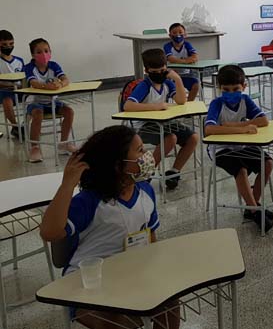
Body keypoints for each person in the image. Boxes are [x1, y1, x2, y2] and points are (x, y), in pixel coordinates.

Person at [39, 125, 181, 329]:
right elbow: (49, 232)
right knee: (116, 322)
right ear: (118, 165)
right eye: (140, 151)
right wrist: (67, 185)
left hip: (131, 274)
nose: (147, 156)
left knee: (170, 303)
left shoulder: (145, 191)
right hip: (87, 285)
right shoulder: (89, 201)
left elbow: (151, 237)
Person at [205, 65, 273, 232]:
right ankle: (255, 210)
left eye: (235, 89)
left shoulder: (245, 100)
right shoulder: (216, 103)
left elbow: (263, 121)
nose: (231, 93)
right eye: (226, 89)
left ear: (244, 86)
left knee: (268, 163)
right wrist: (243, 129)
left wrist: (234, 125)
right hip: (220, 149)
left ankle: (251, 206)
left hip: (242, 145)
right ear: (219, 88)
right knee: (241, 170)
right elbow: (209, 129)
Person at [123, 49, 199, 190]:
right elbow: (128, 106)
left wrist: (177, 79)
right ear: (147, 71)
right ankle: (147, 172)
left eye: (162, 71)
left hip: (163, 122)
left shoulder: (167, 83)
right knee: (171, 138)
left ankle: (174, 171)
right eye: (155, 72)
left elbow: (181, 101)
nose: (159, 74)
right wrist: (155, 107)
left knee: (193, 138)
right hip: (142, 126)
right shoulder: (145, 86)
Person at [23, 38, 77, 163]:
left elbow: (65, 79)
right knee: (38, 114)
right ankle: (35, 147)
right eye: (39, 52)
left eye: (46, 51)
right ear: (33, 55)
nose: (43, 54)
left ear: (50, 52)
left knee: (69, 111)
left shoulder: (54, 65)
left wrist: (60, 84)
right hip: (35, 102)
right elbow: (33, 83)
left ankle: (63, 143)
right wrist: (46, 86)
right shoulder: (29, 67)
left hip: (53, 102)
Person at [164, 23, 200, 101]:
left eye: (180, 32)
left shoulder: (187, 45)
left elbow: (195, 57)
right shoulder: (167, 46)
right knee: (169, 88)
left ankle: (189, 103)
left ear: (185, 34)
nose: (178, 35)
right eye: (174, 33)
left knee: (196, 85)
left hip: (186, 74)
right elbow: (171, 59)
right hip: (172, 75)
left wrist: (180, 61)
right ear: (170, 35)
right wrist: (186, 61)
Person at [0, 29, 24, 139]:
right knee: (7, 100)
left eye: (11, 44)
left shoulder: (19, 61)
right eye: (4, 44)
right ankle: (15, 126)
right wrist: (10, 86)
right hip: (4, 91)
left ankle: (27, 124)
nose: (8, 47)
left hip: (19, 91)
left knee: (34, 97)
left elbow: (24, 79)